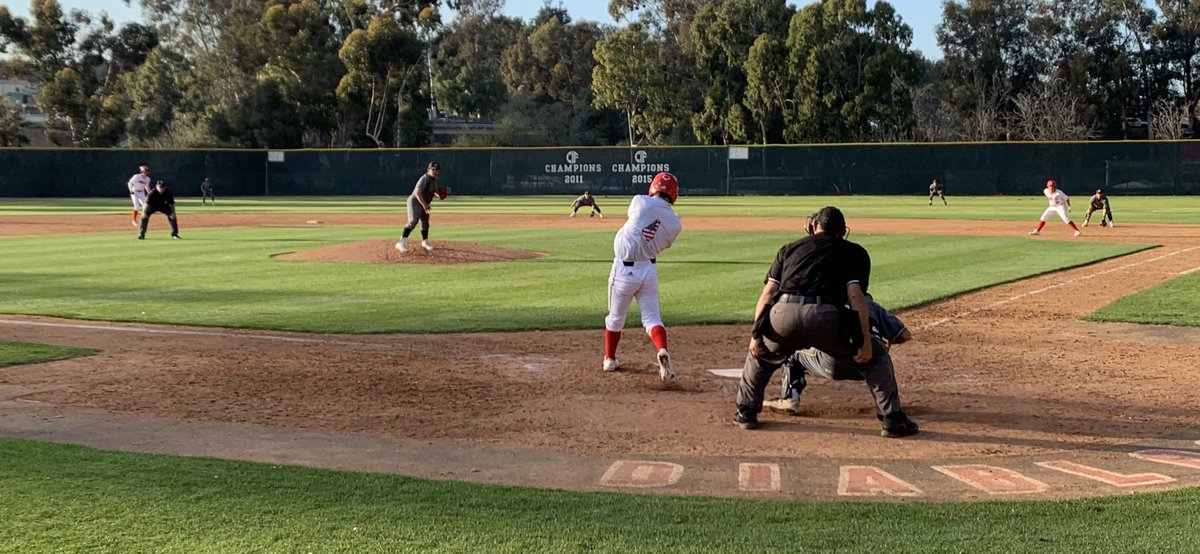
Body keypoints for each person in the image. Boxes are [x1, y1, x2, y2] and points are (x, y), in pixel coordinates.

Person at [733, 206, 874, 430]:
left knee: (762, 355)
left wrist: (755, 337)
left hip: (784, 318)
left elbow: (767, 295)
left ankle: (746, 411)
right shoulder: (855, 253)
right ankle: (891, 416)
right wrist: (865, 343)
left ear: (814, 226)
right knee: (877, 356)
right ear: (842, 230)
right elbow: (857, 297)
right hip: (838, 348)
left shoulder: (789, 249)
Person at [763, 296, 919, 438]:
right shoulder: (867, 302)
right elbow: (904, 335)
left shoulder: (823, 301)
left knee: (792, 348)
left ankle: (790, 397)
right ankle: (888, 409)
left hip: (827, 363)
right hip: (864, 365)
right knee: (881, 356)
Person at [602, 172, 682, 383]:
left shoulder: (640, 201)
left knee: (615, 318)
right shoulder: (675, 224)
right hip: (648, 270)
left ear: (653, 187)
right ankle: (662, 349)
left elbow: (637, 219)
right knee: (652, 319)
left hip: (623, 270)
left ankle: (610, 359)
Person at [395, 161, 443, 253]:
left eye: (437, 170)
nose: (435, 171)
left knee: (425, 222)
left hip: (423, 203)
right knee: (413, 221)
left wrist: (443, 193)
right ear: (428, 170)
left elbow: (437, 192)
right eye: (433, 169)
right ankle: (401, 242)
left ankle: (425, 241)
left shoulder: (433, 181)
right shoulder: (424, 178)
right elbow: (417, 192)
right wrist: (425, 205)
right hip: (415, 201)